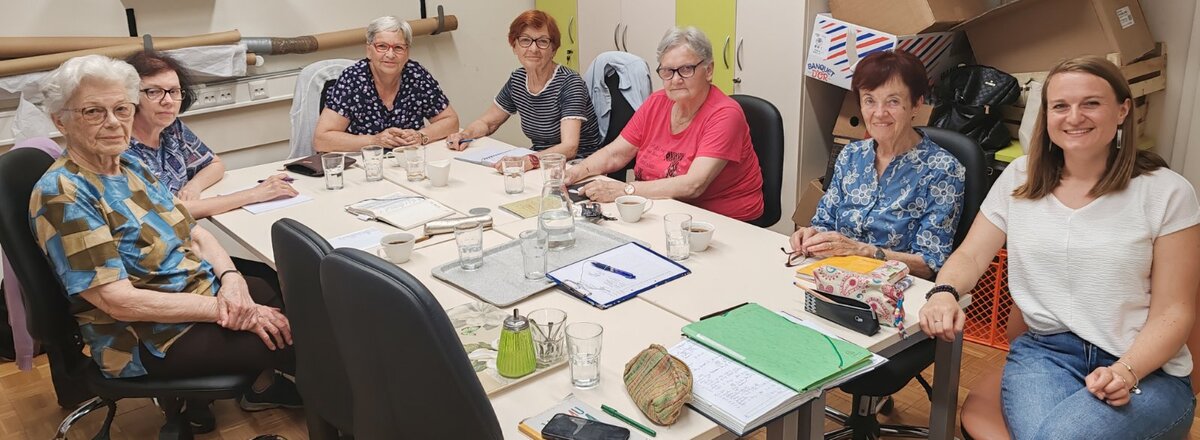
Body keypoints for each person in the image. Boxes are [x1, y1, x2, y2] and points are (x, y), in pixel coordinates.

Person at [920, 55, 1200, 439]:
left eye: (1091, 103)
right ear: (1046, 115)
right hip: (1045, 355)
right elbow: (971, 254)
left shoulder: (1167, 192)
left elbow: (1175, 310)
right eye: (1060, 106)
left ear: (1122, 110)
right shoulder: (1019, 179)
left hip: (1146, 368)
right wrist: (944, 292)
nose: (1074, 117)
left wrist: (1126, 370)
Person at [28, 55, 301, 430]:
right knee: (299, 340)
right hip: (145, 337)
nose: (113, 122)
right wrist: (228, 310)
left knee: (292, 298)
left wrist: (232, 280)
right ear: (61, 121)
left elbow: (194, 232)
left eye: (122, 109)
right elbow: (118, 301)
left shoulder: (129, 165)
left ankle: (277, 392)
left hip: (192, 298)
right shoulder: (65, 194)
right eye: (93, 111)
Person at [788, 50, 965, 280]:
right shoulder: (851, 155)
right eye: (869, 100)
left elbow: (930, 263)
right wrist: (811, 235)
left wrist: (864, 251)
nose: (879, 113)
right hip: (835, 276)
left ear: (916, 104)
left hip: (895, 287)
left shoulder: (943, 170)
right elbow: (824, 222)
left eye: (893, 101)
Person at [564, 27, 764, 221]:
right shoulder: (656, 102)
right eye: (667, 71)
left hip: (722, 220)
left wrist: (625, 190)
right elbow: (615, 154)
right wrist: (574, 173)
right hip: (664, 208)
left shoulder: (726, 115)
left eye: (686, 69)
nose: (675, 80)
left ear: (709, 70)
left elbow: (693, 185)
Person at [125, 51, 298, 219]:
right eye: (154, 92)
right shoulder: (121, 147)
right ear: (130, 96)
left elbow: (215, 164)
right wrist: (254, 194)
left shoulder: (171, 128)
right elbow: (169, 211)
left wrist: (194, 186)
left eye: (174, 91)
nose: (168, 101)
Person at [445, 10, 603, 171]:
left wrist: (528, 160)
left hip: (578, 167)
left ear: (554, 49)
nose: (533, 48)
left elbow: (569, 148)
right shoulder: (518, 79)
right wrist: (465, 135)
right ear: (514, 46)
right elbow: (488, 122)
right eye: (525, 40)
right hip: (539, 163)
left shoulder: (570, 83)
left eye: (542, 42)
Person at [314, 15, 459, 152]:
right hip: (365, 162)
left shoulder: (416, 75)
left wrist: (420, 136)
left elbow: (451, 121)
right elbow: (321, 140)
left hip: (408, 159)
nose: (390, 54)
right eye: (382, 46)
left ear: (407, 52)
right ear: (369, 50)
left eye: (398, 48)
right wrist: (374, 141)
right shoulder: (352, 79)